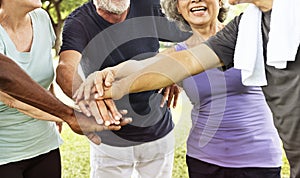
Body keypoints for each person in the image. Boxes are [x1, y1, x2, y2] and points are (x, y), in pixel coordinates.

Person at [76, 0, 300, 177]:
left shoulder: (246, 33)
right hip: (205, 159)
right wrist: (111, 77)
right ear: (178, 9)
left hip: (257, 158)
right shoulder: (190, 48)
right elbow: (158, 63)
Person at [56, 0, 190, 177]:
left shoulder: (148, 6)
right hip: (110, 139)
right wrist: (89, 98)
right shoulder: (79, 21)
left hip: (158, 132)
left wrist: (173, 69)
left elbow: (194, 35)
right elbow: (66, 68)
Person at [0, 1, 130, 177]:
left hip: (45, 147)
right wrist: (71, 115)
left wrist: (57, 107)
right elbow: (13, 98)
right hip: (5, 155)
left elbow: (42, 78)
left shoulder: (41, 19)